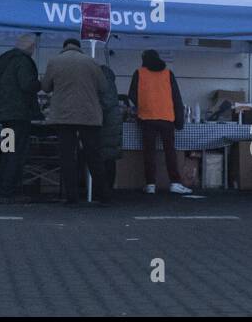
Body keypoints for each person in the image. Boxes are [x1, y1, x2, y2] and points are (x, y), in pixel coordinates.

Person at [41, 38, 112, 206]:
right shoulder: (92, 62)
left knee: (67, 157)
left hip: (64, 116)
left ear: (64, 47)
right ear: (79, 48)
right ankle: (103, 196)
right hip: (89, 116)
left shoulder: (54, 61)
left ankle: (71, 197)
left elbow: (45, 87)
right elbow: (103, 87)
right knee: (93, 156)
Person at [128, 49, 192, 195]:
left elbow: (132, 94)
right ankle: (175, 182)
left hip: (147, 117)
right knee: (170, 151)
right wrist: (179, 120)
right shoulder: (168, 73)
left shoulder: (139, 73)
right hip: (166, 117)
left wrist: (143, 104)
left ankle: (150, 184)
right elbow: (176, 96)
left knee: (149, 152)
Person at [0, 33, 41, 204]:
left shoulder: (3, 59)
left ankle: (2, 189)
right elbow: (27, 84)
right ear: (31, 47)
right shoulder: (23, 61)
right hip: (18, 116)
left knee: (7, 151)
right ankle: (9, 191)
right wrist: (39, 83)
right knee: (16, 153)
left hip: (3, 115)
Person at [96, 62, 123, 193]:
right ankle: (107, 189)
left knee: (105, 158)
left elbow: (105, 103)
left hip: (106, 124)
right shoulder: (109, 81)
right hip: (112, 124)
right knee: (109, 158)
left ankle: (104, 190)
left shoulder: (103, 82)